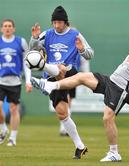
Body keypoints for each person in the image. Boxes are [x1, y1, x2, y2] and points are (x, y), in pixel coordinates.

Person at [31, 21, 129, 162]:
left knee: (107, 118)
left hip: (122, 89)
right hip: (112, 81)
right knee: (81, 77)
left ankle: (114, 153)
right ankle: (49, 85)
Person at [29, 5, 94, 158]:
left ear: (66, 22)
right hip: (52, 76)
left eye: (60, 22)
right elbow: (33, 52)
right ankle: (80, 147)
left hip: (70, 73)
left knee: (61, 67)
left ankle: (45, 83)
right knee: (62, 113)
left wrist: (81, 49)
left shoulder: (75, 34)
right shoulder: (47, 34)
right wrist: (35, 38)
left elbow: (90, 54)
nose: (57, 25)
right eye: (54, 22)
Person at [0, 19, 32, 146]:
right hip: (1, 81)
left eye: (10, 26)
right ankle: (3, 128)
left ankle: (13, 138)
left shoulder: (21, 42)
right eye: (5, 26)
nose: (7, 28)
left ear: (13, 28)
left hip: (15, 82)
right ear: (2, 29)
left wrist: (28, 81)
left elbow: (27, 63)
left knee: (14, 109)